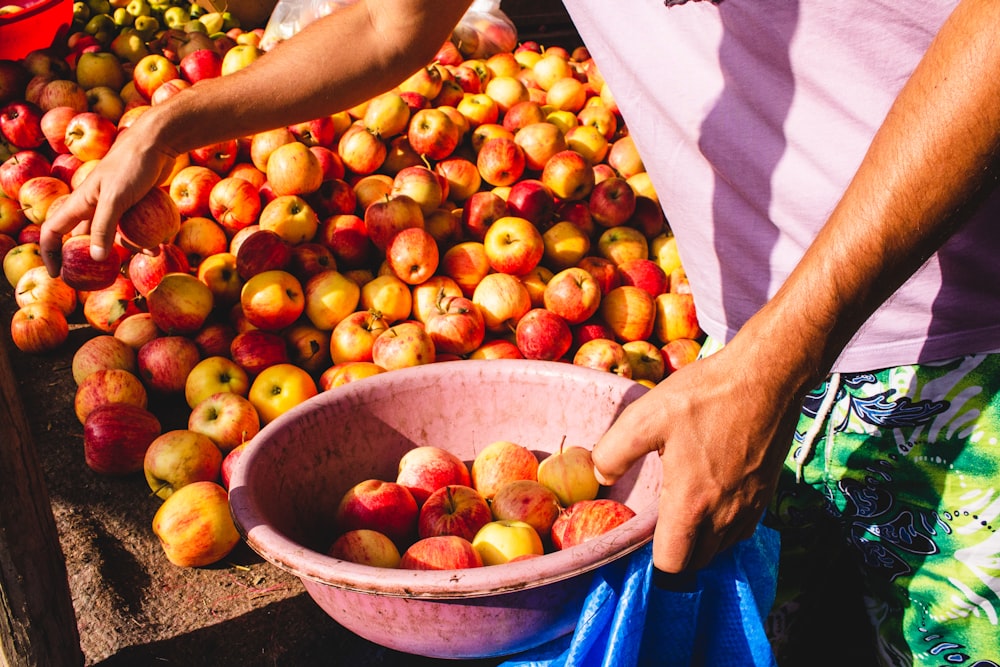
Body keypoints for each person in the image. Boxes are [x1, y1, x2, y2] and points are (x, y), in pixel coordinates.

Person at [39, 0, 1000, 663]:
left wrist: (779, 353)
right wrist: (170, 123)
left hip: (970, 367)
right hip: (743, 365)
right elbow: (387, 23)